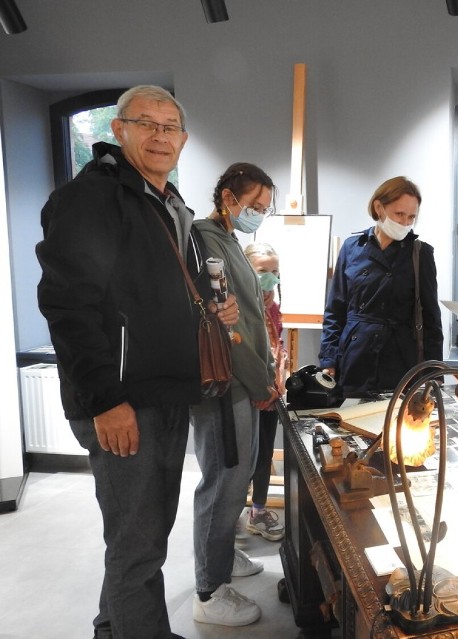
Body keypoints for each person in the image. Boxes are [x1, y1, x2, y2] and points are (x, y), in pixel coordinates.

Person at [36, 85, 238, 639]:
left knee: (140, 534)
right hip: (124, 401)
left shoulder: (167, 202)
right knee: (138, 544)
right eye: (144, 123)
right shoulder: (93, 198)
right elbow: (68, 305)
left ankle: (113, 627)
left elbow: (150, 289)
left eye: (169, 126)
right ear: (118, 129)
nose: (158, 135)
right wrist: (105, 400)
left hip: (164, 391)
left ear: (184, 139)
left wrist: (209, 301)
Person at [191, 163, 279, 627]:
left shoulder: (230, 241)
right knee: (222, 481)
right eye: (254, 206)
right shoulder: (205, 239)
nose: (259, 216)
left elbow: (250, 315)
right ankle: (208, 589)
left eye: (264, 209)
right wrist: (260, 379)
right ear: (229, 197)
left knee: (238, 473)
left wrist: (266, 372)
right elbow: (228, 327)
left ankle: (222, 557)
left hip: (245, 379)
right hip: (225, 382)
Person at [319, 176, 443, 397]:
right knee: (350, 424)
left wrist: (434, 375)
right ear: (379, 207)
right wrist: (329, 359)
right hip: (354, 357)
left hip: (400, 361)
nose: (405, 223)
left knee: (396, 427)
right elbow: (335, 310)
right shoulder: (352, 247)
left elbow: (432, 319)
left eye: (411, 217)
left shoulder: (420, 253)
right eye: (399, 214)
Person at [243, 241, 287, 542]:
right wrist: (261, 385)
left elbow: (276, 346)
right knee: (243, 458)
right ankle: (229, 516)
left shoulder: (272, 305)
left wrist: (279, 379)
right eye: (262, 272)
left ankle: (258, 512)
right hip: (249, 395)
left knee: (265, 453)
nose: (270, 279)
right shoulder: (240, 305)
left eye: (274, 272)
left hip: (272, 395)